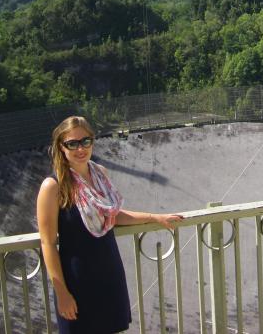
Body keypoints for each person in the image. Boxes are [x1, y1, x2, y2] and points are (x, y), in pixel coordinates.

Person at [37, 115, 182, 333]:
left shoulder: (99, 174)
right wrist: (62, 293)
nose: (80, 149)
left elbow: (112, 216)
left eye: (86, 141)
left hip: (109, 271)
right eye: (72, 143)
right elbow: (47, 243)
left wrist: (155, 218)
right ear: (61, 147)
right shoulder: (53, 186)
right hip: (77, 279)